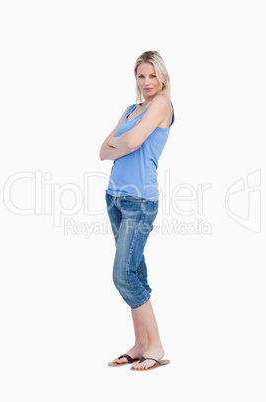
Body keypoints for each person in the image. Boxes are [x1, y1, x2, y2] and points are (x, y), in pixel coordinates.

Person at [99, 50, 175, 371]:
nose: (147, 82)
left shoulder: (162, 103)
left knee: (123, 275)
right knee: (135, 272)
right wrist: (122, 142)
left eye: (152, 75)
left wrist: (123, 142)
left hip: (140, 201)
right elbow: (102, 150)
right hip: (114, 197)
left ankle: (155, 345)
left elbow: (128, 144)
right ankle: (140, 344)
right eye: (141, 76)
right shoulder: (132, 109)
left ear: (162, 77)